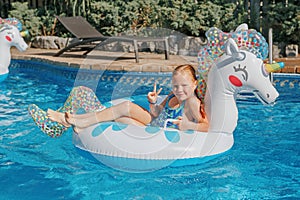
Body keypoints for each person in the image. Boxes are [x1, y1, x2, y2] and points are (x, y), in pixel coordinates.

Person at [29, 64, 208, 137]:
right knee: (119, 116)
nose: (179, 90)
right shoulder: (172, 96)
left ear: (194, 84)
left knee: (125, 108)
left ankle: (73, 121)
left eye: (184, 85)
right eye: (175, 85)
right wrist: (153, 102)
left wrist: (189, 126)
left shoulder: (192, 102)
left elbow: (207, 126)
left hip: (158, 132)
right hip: (153, 123)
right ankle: (74, 122)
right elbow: (156, 114)